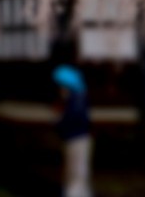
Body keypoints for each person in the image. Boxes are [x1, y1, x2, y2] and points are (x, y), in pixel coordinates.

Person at [53, 64, 92, 197]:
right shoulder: (77, 97)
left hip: (76, 139)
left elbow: (71, 120)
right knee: (77, 173)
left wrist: (58, 122)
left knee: (76, 173)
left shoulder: (75, 99)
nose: (59, 88)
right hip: (77, 138)